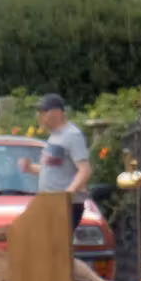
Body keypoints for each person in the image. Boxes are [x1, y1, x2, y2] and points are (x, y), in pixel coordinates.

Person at [17, 93, 93, 234]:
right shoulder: (55, 136)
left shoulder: (72, 135)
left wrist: (68, 194)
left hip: (66, 205)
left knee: (57, 244)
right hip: (50, 202)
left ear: (57, 112)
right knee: (46, 243)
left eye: (43, 111)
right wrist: (29, 168)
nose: (39, 116)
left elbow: (85, 170)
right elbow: (51, 169)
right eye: (38, 112)